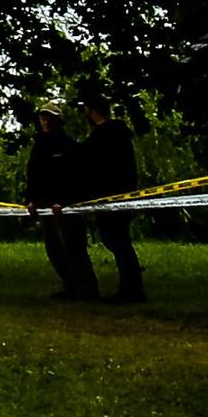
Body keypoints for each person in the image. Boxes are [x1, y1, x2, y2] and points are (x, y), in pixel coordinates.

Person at [75, 90, 145, 305]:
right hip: (121, 193)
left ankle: (131, 290)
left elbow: (88, 162)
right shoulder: (120, 134)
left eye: (86, 110)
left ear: (92, 111)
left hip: (110, 196)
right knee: (119, 241)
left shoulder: (102, 136)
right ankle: (131, 288)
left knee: (117, 240)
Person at [26, 102, 92, 298]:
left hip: (65, 205)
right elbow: (33, 175)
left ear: (58, 120)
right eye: (42, 117)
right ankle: (70, 285)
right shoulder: (39, 146)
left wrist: (66, 200)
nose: (45, 121)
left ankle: (87, 288)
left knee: (74, 247)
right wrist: (31, 199)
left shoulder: (70, 145)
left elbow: (77, 177)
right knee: (53, 248)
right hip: (45, 204)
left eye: (49, 117)